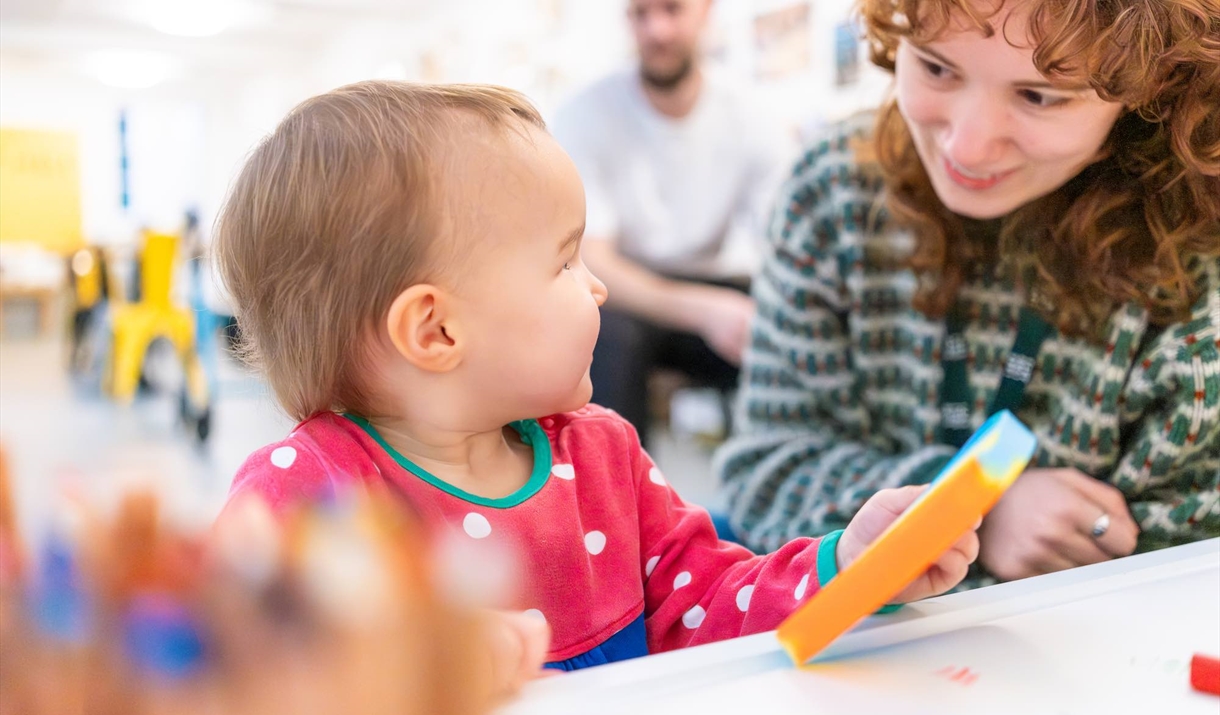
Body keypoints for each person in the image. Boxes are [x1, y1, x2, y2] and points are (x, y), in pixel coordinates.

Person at [212, 81, 977, 674]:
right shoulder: (303, 495)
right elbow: (231, 670)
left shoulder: (603, 456)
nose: (598, 286)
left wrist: (849, 564)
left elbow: (710, 603)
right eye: (566, 260)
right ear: (438, 329)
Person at [716, 0, 1219, 587]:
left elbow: (1184, 573)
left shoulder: (1193, 269)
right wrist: (973, 511)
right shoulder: (833, 193)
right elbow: (764, 475)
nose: (967, 146)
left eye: (1038, 96)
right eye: (935, 68)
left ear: (1151, 90)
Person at [551, 0, 792, 443]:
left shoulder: (752, 117)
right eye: (640, 14)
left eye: (671, 10)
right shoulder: (585, 116)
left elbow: (786, 244)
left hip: (709, 284)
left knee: (787, 324)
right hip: (623, 296)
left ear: (705, 12)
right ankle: (620, 498)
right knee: (607, 333)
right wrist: (703, 310)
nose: (656, 30)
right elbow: (593, 261)